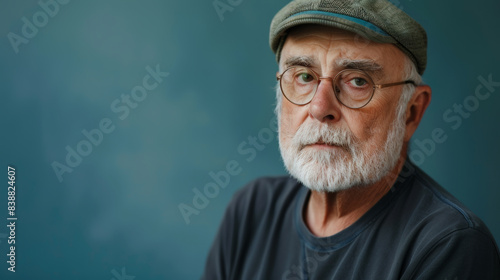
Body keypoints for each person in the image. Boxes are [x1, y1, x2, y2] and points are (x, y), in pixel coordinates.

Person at [202, 0, 500, 279]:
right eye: (304, 77)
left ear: (411, 113)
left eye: (358, 80)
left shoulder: (447, 245)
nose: (320, 108)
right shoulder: (251, 211)